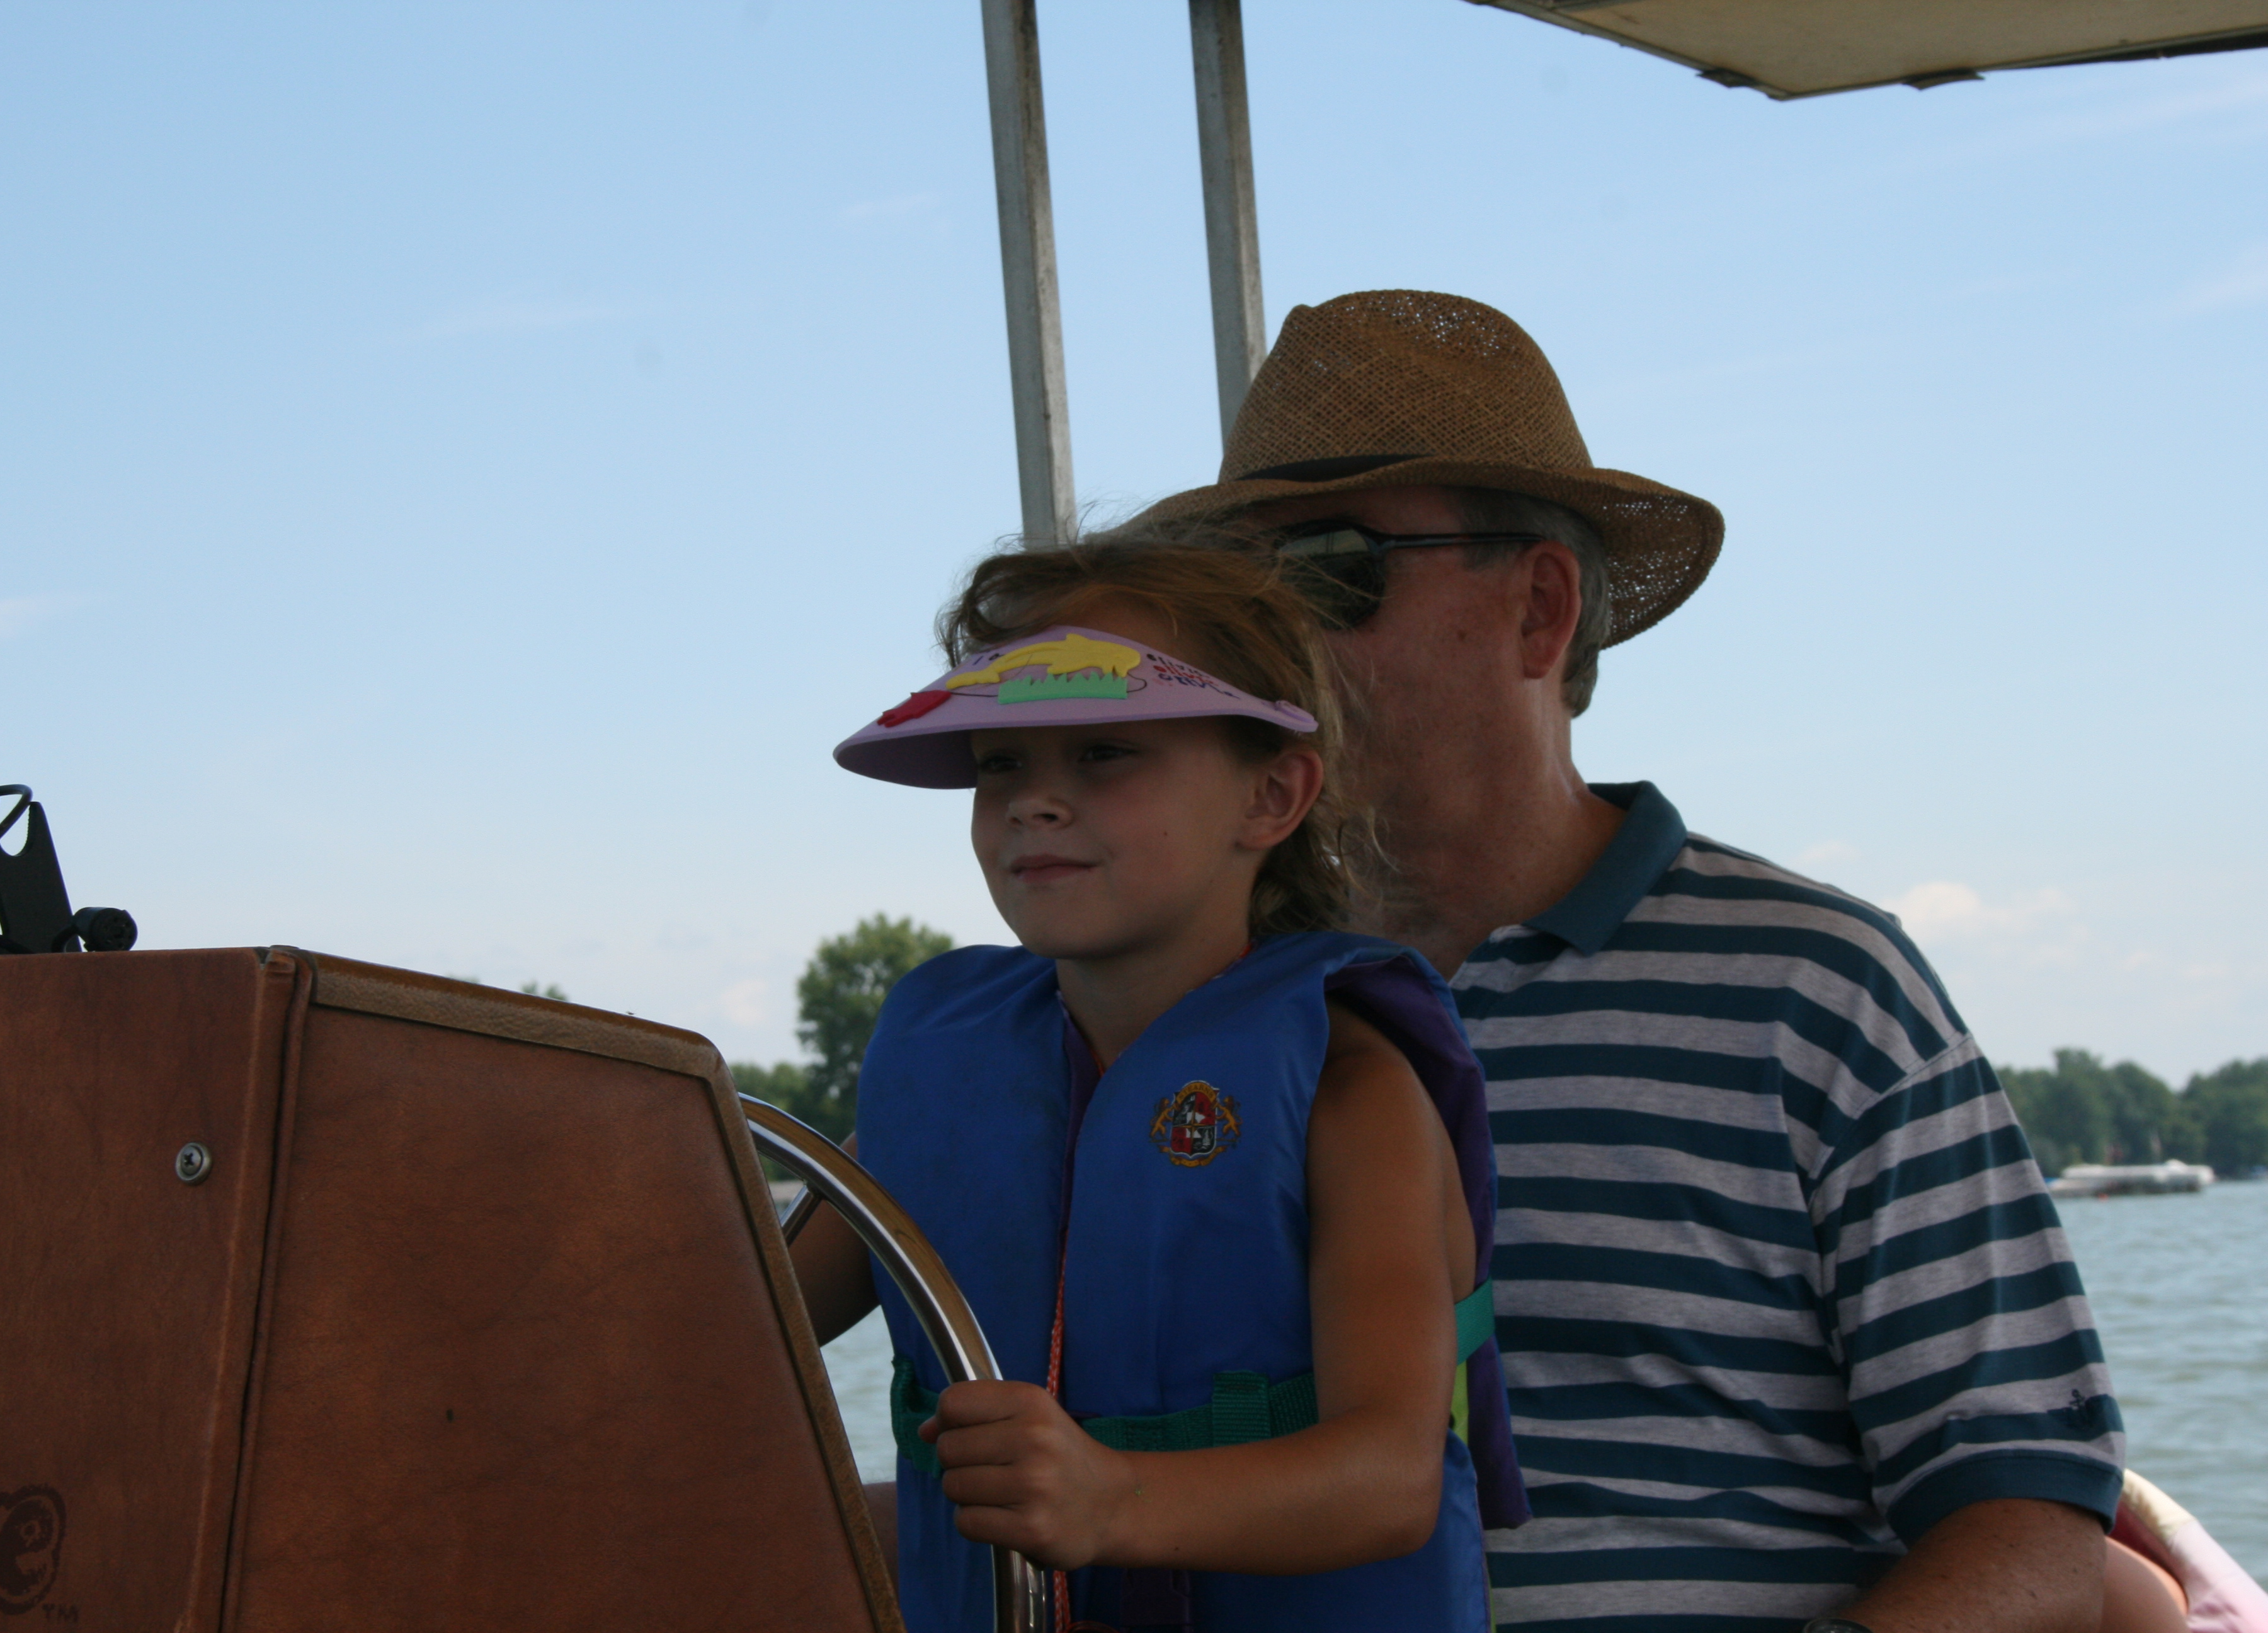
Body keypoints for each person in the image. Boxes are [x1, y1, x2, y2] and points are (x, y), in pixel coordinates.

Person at [1127, 290, 2130, 1633]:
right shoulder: (1177, 1008)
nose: (1266, 642)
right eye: (1240, 597)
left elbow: (2032, 1522)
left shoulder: (1819, 993)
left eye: (1327, 573)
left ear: (1540, 609)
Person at [790, 540, 1529, 1632]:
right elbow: (731, 1318)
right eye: (1001, 763)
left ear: (1271, 795)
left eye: (1104, 753)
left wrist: (1112, 1500)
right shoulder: (943, 1078)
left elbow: (1388, 1479)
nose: (1036, 803)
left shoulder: (1355, 1092)